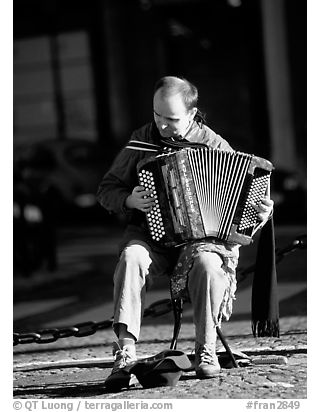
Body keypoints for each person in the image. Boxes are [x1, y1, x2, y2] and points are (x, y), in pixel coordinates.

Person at [97, 76, 274, 379]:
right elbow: (106, 190)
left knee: (208, 264)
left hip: (200, 244)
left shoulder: (215, 146)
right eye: (156, 115)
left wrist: (261, 213)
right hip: (150, 237)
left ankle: (205, 350)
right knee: (130, 258)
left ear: (192, 114)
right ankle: (124, 354)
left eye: (171, 118)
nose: (161, 125)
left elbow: (245, 207)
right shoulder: (143, 140)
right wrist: (129, 200)